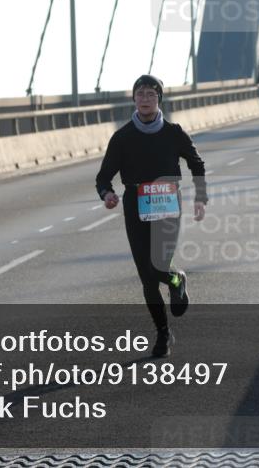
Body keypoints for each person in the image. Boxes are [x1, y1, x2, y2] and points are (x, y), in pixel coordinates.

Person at [95, 75, 206, 358]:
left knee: (158, 267)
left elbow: (196, 163)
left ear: (159, 99)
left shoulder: (173, 132)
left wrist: (201, 196)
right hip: (135, 204)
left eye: (151, 94)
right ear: (134, 99)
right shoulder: (122, 137)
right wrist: (107, 194)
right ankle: (163, 333)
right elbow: (103, 177)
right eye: (140, 94)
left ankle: (176, 278)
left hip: (168, 202)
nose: (145, 98)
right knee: (146, 279)